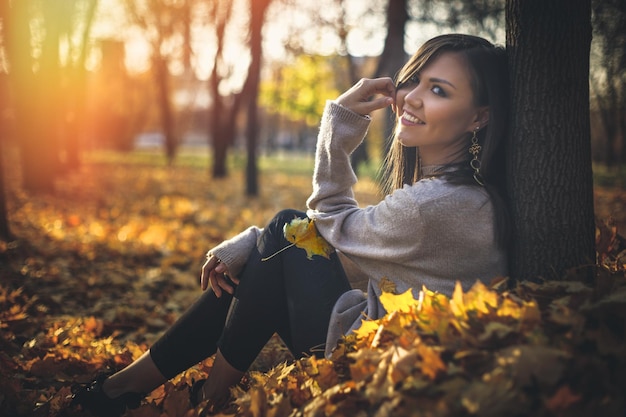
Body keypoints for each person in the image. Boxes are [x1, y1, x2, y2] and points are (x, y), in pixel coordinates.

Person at [71, 33, 510, 416]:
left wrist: (338, 123)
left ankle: (192, 396)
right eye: (413, 79)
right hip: (395, 358)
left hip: (379, 371)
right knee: (282, 240)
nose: (411, 96)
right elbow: (348, 251)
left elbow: (328, 222)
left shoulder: (434, 204)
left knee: (287, 227)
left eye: (438, 90)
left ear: (479, 118)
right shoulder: (461, 196)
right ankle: (140, 388)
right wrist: (260, 245)